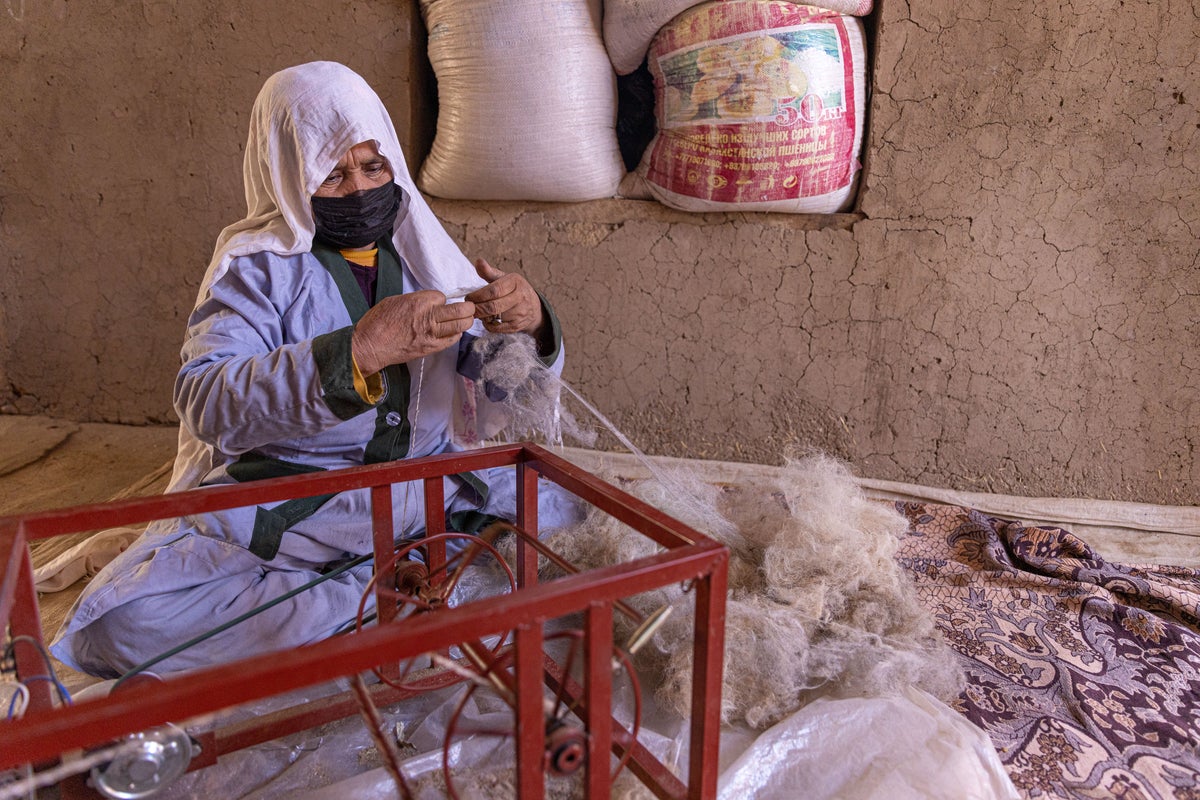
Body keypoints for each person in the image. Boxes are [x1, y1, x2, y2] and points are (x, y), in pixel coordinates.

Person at [51, 61, 578, 678]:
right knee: (120, 628)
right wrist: (357, 353)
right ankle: (378, 601)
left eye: (373, 166)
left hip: (432, 492)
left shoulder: (424, 255)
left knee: (577, 520)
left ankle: (376, 604)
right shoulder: (255, 271)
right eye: (333, 173)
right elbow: (206, 400)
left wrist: (532, 324)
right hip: (306, 509)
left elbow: (504, 391)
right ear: (290, 174)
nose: (359, 188)